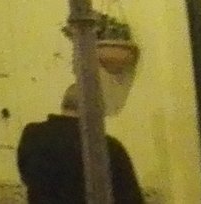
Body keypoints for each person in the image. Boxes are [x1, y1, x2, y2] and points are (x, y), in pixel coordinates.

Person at [17, 84, 145, 204]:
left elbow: (25, 176)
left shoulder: (32, 135)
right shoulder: (107, 147)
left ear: (64, 103)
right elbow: (131, 199)